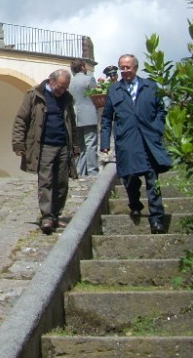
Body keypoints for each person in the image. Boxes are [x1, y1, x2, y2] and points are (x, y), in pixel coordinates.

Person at [99, 54, 174, 234]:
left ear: (135, 68)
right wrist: (104, 142)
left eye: (128, 67)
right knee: (129, 177)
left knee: (151, 180)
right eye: (122, 68)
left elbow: (161, 110)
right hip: (127, 141)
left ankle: (157, 218)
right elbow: (107, 117)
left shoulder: (150, 86)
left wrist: (157, 128)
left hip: (147, 140)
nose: (125, 71)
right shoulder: (114, 90)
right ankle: (134, 202)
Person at [12, 69, 82, 234]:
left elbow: (71, 122)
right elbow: (21, 119)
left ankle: (56, 215)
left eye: (65, 87)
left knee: (62, 183)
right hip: (44, 146)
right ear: (51, 81)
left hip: (63, 145)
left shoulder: (66, 99)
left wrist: (75, 147)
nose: (62, 90)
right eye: (60, 87)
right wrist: (18, 143)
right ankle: (47, 217)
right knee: (46, 182)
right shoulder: (34, 95)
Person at [69, 58, 99, 178]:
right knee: (91, 144)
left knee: (81, 146)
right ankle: (93, 171)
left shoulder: (70, 82)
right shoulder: (89, 79)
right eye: (85, 66)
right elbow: (96, 95)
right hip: (88, 114)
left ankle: (80, 171)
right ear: (82, 67)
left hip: (75, 115)